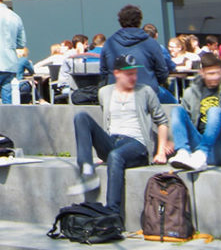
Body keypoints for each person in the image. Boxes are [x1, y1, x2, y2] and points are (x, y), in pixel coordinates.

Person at [68, 54, 170, 217]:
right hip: (113, 140)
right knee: (81, 117)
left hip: (137, 143)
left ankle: (113, 212)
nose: (133, 77)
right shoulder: (105, 92)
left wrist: (161, 151)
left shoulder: (145, 91)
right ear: (117, 73)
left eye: (135, 73)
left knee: (115, 156)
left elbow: (162, 121)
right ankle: (86, 170)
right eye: (129, 74)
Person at [100, 5, 169, 97]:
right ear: (139, 21)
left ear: (120, 21)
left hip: (117, 94)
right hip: (147, 95)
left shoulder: (109, 43)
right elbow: (162, 71)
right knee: (173, 101)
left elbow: (104, 72)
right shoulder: (151, 43)